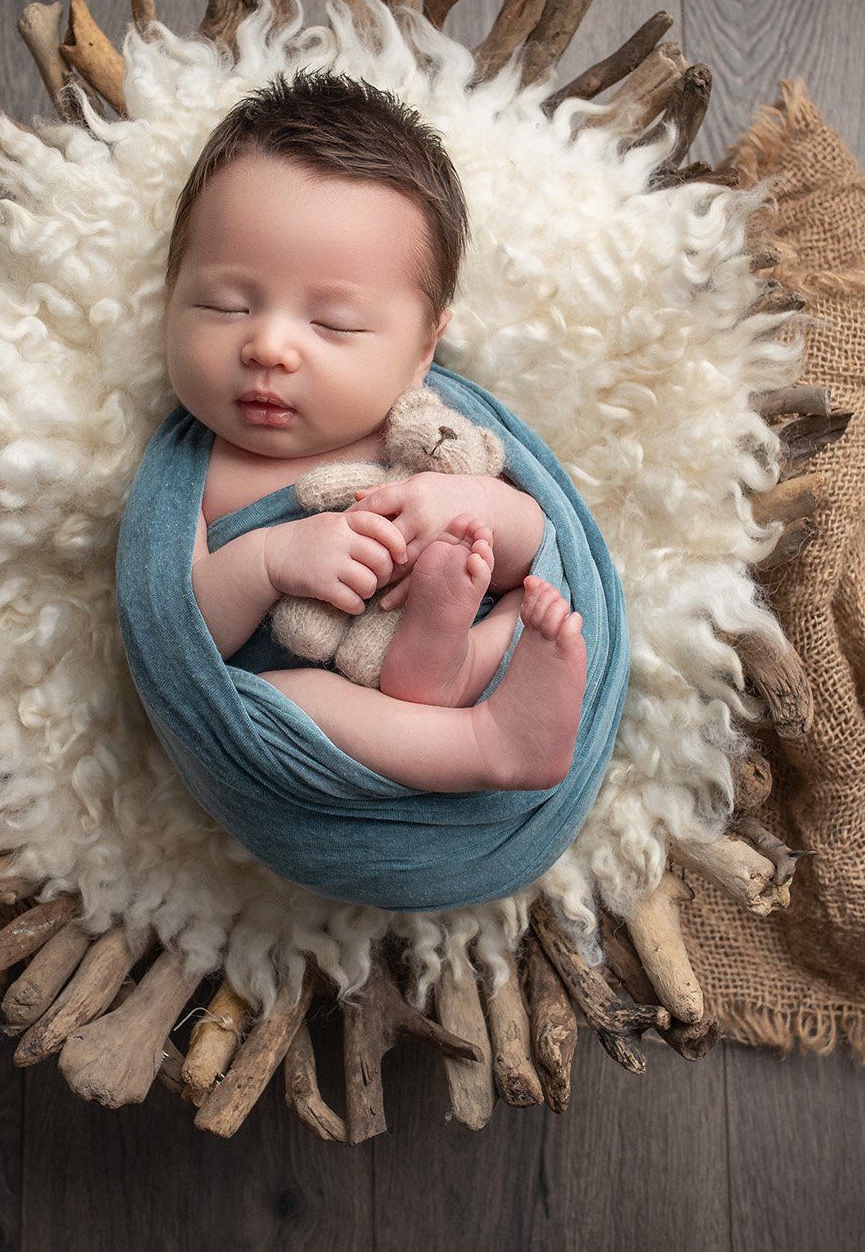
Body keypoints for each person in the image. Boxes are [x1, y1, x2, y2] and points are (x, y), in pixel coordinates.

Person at [162, 69, 587, 793]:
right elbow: (178, 636)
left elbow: (538, 540)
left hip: (463, 658)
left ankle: (452, 669)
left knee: (533, 606)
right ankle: (483, 744)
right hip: (324, 754)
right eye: (228, 305)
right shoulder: (190, 476)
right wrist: (270, 561)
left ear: (423, 349)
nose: (269, 346)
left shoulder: (430, 430)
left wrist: (470, 507)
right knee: (292, 699)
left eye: (332, 323)